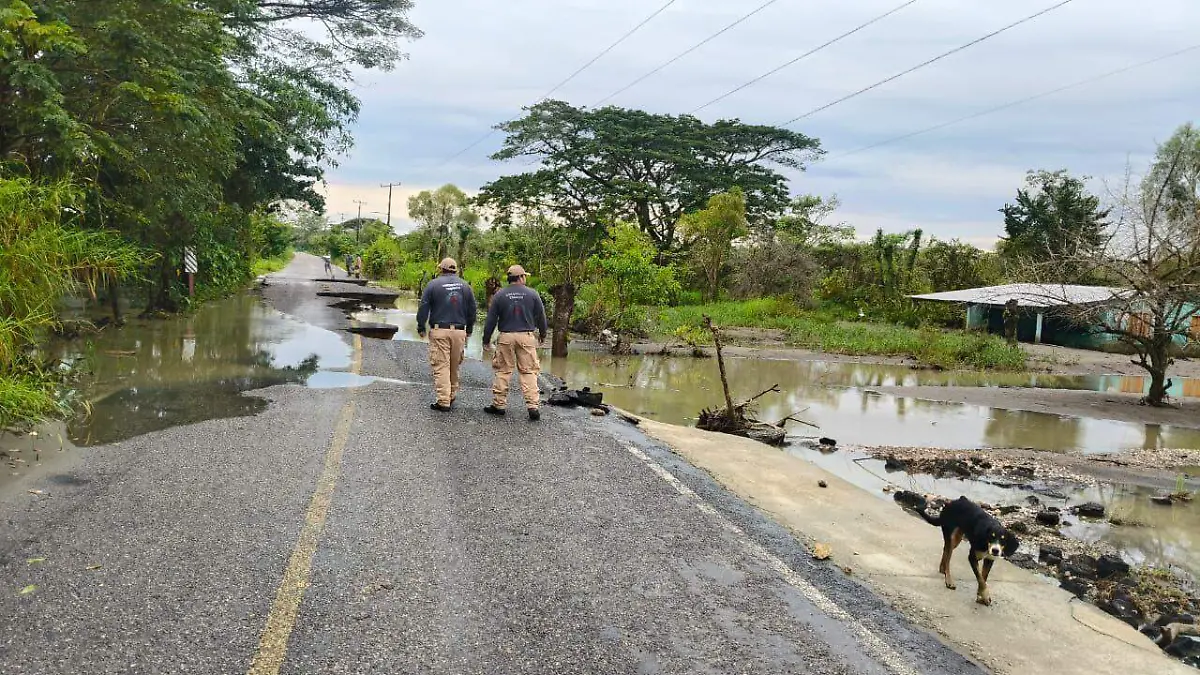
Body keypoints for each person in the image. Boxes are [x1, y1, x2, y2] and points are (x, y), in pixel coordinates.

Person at [482, 265, 548, 421]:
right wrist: (543, 334)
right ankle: (533, 406)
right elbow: (541, 317)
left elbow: (491, 320)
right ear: (522, 277)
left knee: (503, 371)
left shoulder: (500, 295)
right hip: (526, 336)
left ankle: (499, 405)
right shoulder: (533, 294)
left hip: (506, 336)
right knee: (529, 371)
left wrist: (486, 340)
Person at [416, 258, 476, 412]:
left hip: (440, 331)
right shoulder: (465, 286)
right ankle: (451, 394)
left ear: (440, 269)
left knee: (441, 365)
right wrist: (469, 329)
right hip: (459, 331)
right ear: (455, 270)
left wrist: (421, 326)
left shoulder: (433, 284)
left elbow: (423, 307)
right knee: (454, 365)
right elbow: (472, 310)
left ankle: (443, 400)